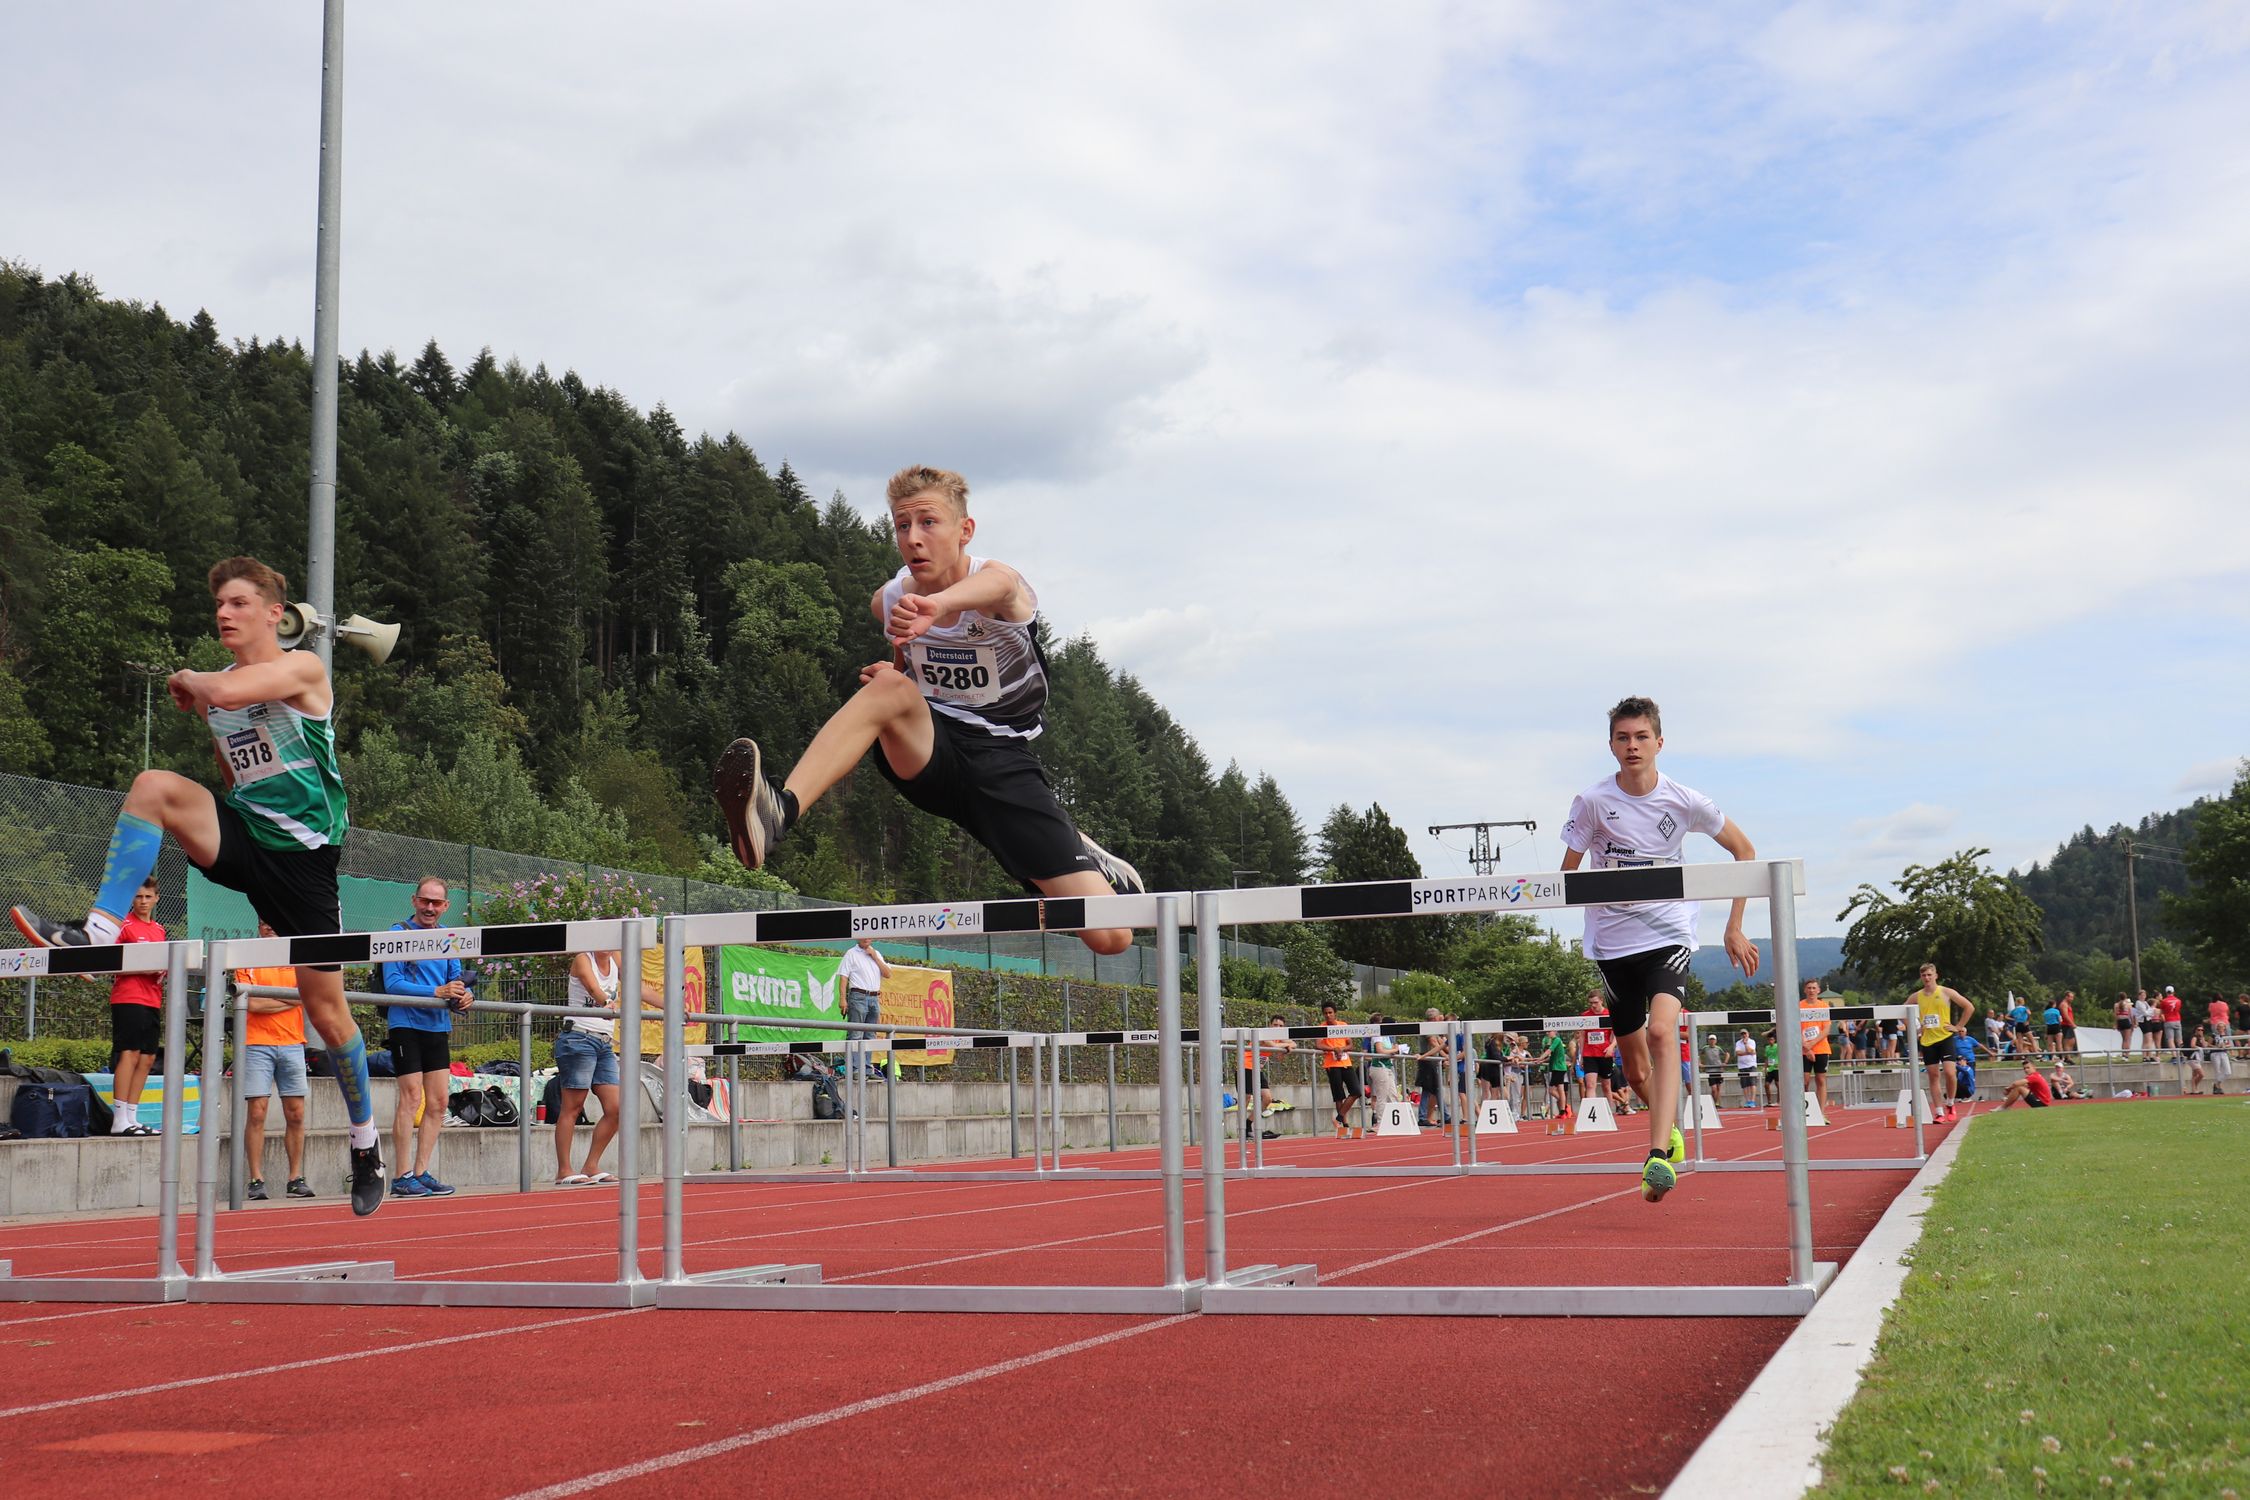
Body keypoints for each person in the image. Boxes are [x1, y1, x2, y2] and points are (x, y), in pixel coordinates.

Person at [9, 557, 385, 1214]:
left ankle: (364, 1141)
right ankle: (96, 930)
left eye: (239, 602)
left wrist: (197, 683)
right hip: (246, 836)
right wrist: (207, 697)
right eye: (219, 604)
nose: (224, 613)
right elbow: (233, 761)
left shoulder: (303, 668)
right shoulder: (224, 689)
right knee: (154, 787)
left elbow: (239, 694)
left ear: (275, 613)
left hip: (303, 865)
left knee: (327, 1013)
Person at [711, 465, 1143, 954]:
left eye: (928, 523)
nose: (912, 538)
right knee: (890, 688)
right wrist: (899, 674)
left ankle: (1074, 847)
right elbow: (896, 640)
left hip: (1002, 764)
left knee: (1111, 936)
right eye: (901, 525)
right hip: (932, 752)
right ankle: (778, 813)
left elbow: (1000, 590)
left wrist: (936, 607)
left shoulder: (997, 583)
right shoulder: (893, 598)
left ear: (965, 531)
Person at [1559, 695, 1760, 1203]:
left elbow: (1745, 852)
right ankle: (1666, 1126)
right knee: (1634, 1070)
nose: (1632, 746)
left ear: (1659, 742)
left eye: (1641, 737)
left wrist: (1734, 926)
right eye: (1623, 738)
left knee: (1664, 1030)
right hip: (1611, 941)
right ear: (1610, 745)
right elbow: (1565, 875)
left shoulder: (1685, 800)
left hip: (1669, 932)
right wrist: (1607, 886)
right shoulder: (1592, 802)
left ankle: (1655, 1156)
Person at [378, 877, 468, 1199]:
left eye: (436, 903)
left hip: (437, 1027)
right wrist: (437, 991)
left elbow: (456, 980)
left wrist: (464, 994)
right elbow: (393, 984)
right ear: (414, 900)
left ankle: (420, 1171)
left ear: (446, 907)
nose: (430, 907)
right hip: (406, 1024)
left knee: (439, 1101)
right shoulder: (397, 934)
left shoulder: (449, 938)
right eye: (425, 901)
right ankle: (402, 1175)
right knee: (411, 1097)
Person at [236, 921, 313, 1198]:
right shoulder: (247, 957)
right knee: (257, 1112)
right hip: (256, 1044)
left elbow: (307, 993)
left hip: (292, 1043)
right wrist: (291, 1000)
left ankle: (295, 1178)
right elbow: (251, 1003)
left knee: (296, 1114)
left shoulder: (295, 957)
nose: (270, 928)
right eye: (264, 924)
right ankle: (255, 1179)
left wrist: (276, 999)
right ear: (258, 927)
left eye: (274, 923)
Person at [554, 944, 625, 1185]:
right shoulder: (584, 958)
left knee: (616, 1108)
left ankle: (591, 1165)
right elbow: (594, 989)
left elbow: (639, 987)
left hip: (604, 1043)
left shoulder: (616, 957)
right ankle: (564, 1169)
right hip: (578, 1037)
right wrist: (606, 1002)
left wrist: (670, 1004)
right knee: (573, 1106)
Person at [105, 878, 166, 1136]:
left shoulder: (160, 930)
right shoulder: (124, 926)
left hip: (152, 999)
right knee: (128, 1053)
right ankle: (119, 1120)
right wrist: (143, 967)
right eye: (138, 897)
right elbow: (109, 961)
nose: (143, 901)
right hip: (128, 998)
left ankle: (132, 1117)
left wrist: (163, 970)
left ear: (156, 899)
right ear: (132, 899)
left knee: (148, 1057)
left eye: (147, 897)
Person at [1909, 963, 1976, 1124]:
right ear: (1921, 977)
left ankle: (1950, 1103)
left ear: (1936, 975)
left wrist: (1958, 1026)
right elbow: (1902, 1011)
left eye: (1929, 975)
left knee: (1950, 1073)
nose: (1927, 978)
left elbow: (1969, 1007)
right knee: (1933, 1076)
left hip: (1945, 1037)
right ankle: (1939, 1112)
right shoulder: (1917, 996)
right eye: (1924, 975)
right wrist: (1917, 1028)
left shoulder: (1946, 992)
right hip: (1928, 1040)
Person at [839, 936, 896, 1081]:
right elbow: (844, 977)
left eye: (869, 936)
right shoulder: (851, 953)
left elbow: (888, 974)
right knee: (856, 1034)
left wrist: (875, 957)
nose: (866, 938)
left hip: (874, 997)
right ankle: (856, 1068)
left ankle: (867, 1068)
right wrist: (842, 998)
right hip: (858, 995)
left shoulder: (876, 954)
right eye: (863, 936)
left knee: (870, 1034)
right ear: (857, 938)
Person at [1317, 1002, 1364, 1133]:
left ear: (1335, 1013)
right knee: (1339, 1096)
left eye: (1330, 1012)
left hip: (1345, 1063)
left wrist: (1341, 1049)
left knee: (1356, 1091)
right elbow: (1319, 1045)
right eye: (1325, 1013)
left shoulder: (1343, 1025)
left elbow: (1351, 1045)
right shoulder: (1321, 1027)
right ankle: (1345, 1125)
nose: (1328, 1015)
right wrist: (1333, 1049)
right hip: (1331, 1065)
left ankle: (1339, 1117)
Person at [1577, 994, 1619, 1116]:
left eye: (1595, 1002)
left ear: (1601, 1001)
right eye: (1590, 1003)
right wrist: (1581, 1056)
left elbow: (1617, 1034)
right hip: (1589, 1054)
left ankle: (1609, 1113)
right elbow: (1582, 1036)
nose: (1593, 1005)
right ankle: (1592, 1114)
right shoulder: (1585, 1016)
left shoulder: (1609, 1014)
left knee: (1606, 1085)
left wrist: (1612, 1047)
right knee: (1590, 1084)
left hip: (1605, 1054)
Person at [1798, 978, 1833, 1116]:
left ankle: (1821, 1112)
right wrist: (1806, 1048)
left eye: (1814, 988)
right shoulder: (1799, 1006)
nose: (1811, 990)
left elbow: (1826, 1029)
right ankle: (1804, 1110)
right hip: (1803, 1050)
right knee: (1804, 1080)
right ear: (1805, 990)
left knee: (1820, 1079)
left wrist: (1811, 1045)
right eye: (1809, 988)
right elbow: (1795, 1027)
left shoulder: (1824, 1006)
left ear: (1818, 990)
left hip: (1821, 1048)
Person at [1418, 1010, 1454, 1126]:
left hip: (1434, 1061)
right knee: (1429, 1088)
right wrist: (1446, 1057)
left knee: (1435, 1089)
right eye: (1439, 1018)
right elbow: (1434, 1043)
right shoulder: (1428, 1028)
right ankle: (1424, 1117)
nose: (1441, 1019)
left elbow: (1442, 1044)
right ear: (1434, 1018)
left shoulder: (1435, 1029)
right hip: (1428, 1061)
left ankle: (1443, 1115)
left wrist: (1451, 1054)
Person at [1365, 1015, 1400, 1111]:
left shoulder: (1388, 1037)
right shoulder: (1378, 1035)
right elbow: (1380, 1050)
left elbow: (1390, 1050)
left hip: (1387, 1067)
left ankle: (1394, 1121)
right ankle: (1380, 1121)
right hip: (1378, 1067)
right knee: (1382, 1097)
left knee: (1393, 1094)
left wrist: (1395, 1050)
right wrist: (1394, 1050)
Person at [1537, 1027, 1569, 1123]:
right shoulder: (1554, 1041)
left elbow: (1548, 1051)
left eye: (1549, 1031)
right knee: (1560, 1089)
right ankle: (1563, 1110)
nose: (1547, 1033)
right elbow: (1552, 1056)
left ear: (1554, 1032)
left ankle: (1564, 1106)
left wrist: (1540, 1058)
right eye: (1547, 1031)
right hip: (1557, 1067)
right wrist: (1541, 1060)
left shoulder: (1557, 1040)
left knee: (1552, 1090)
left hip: (1558, 1068)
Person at [1733, 1029, 1759, 1109]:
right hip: (1742, 1066)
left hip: (1751, 1065)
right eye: (1742, 1034)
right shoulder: (1738, 1042)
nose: (1744, 1035)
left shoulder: (1752, 1041)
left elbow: (1750, 1050)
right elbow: (1738, 1053)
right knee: (1745, 1084)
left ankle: (1752, 1101)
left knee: (1752, 1083)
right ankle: (1747, 1101)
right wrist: (1747, 1053)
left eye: (1745, 1034)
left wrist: (1745, 1044)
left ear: (1748, 1034)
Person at [2159, 986, 2183, 1053]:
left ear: (2166, 992)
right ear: (2173, 992)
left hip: (2168, 1020)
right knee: (2179, 1040)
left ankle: (2175, 1056)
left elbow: (2161, 1012)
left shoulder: (2164, 1001)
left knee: (2170, 1039)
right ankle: (2181, 1055)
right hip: (2177, 1020)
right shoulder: (2178, 1000)